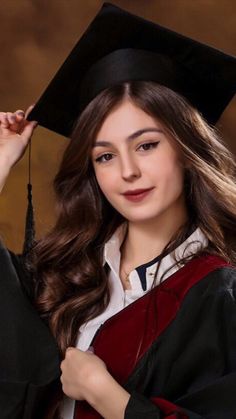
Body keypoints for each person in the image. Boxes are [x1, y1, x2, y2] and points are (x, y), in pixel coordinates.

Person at [0, 3, 236, 419]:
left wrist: (107, 395)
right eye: (105, 156)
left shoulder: (220, 294)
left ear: (185, 149)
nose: (128, 171)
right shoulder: (62, 271)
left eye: (146, 145)